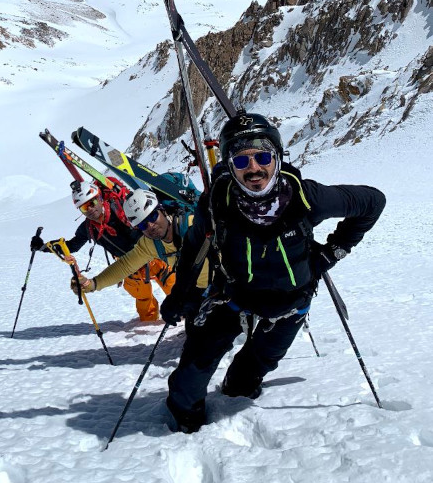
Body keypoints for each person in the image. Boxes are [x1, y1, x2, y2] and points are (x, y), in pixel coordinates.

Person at [161, 111, 386, 434]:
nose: (254, 168)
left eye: (262, 157)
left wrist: (330, 253)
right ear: (229, 165)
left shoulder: (305, 197)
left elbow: (373, 202)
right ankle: (185, 425)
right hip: (233, 297)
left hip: (291, 302)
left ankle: (237, 389)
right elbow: (193, 248)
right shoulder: (217, 203)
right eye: (241, 161)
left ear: (277, 158)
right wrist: (181, 294)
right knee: (190, 375)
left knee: (251, 372)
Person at [31, 180, 172, 321]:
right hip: (128, 268)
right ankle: (148, 329)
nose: (90, 210)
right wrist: (44, 247)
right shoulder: (88, 228)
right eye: (84, 208)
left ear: (99, 198)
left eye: (91, 203)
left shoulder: (122, 210)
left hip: (153, 258)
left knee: (176, 289)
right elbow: (72, 246)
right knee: (143, 299)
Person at [73, 188, 209, 303]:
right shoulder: (151, 244)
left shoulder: (195, 225)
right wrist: (93, 284)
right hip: (203, 293)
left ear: (162, 209)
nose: (150, 226)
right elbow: (125, 266)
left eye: (153, 216)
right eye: (143, 224)